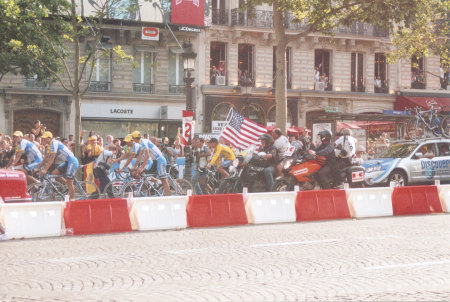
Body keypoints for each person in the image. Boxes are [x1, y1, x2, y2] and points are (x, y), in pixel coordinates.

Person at [38, 131, 79, 200]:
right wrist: (38, 168)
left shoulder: (54, 143)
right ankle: (67, 186)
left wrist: (45, 169)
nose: (43, 140)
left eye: (44, 138)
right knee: (54, 174)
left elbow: (52, 158)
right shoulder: (50, 145)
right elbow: (46, 158)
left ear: (49, 138)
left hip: (72, 161)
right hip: (67, 162)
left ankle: (72, 200)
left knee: (69, 181)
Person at [131, 131, 170, 196]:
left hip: (160, 160)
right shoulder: (142, 142)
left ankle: (167, 197)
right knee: (145, 174)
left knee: (164, 180)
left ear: (135, 138)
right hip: (155, 161)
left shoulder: (143, 142)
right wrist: (134, 167)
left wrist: (142, 167)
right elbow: (140, 156)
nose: (133, 140)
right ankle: (156, 183)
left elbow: (147, 155)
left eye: (133, 139)